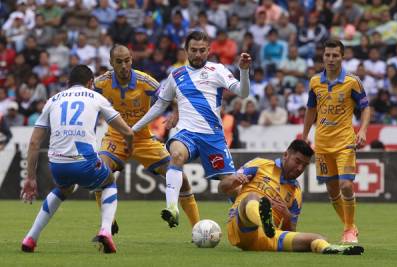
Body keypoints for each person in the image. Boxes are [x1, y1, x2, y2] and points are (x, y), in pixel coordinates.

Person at [131, 31, 251, 228]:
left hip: (213, 137)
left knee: (230, 186)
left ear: (208, 51)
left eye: (202, 50)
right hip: (187, 133)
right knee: (176, 155)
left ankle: (249, 219)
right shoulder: (176, 75)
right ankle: (172, 208)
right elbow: (160, 105)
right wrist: (134, 128)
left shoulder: (217, 70)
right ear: (186, 50)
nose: (198, 54)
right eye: (193, 50)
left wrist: (244, 71)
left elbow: (243, 93)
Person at [20, 65, 134, 253]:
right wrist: (129, 147)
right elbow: (127, 132)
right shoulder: (97, 97)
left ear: (67, 83)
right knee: (108, 183)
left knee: (64, 188)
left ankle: (31, 237)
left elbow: (34, 143)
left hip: (58, 164)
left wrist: (30, 178)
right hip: (85, 162)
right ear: (91, 83)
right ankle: (106, 230)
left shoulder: (52, 100)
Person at [94, 44, 200, 229]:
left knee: (181, 179)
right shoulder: (101, 83)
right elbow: (84, 97)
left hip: (143, 139)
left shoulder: (145, 81)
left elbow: (170, 98)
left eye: (127, 61)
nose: (124, 66)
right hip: (115, 138)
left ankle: (197, 227)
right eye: (119, 62)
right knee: (99, 173)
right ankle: (108, 221)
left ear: (132, 59)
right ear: (111, 62)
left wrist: (175, 111)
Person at [222, 140, 364, 255]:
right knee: (252, 197)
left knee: (319, 238)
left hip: (269, 239)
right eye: (297, 161)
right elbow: (222, 186)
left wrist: (287, 215)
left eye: (305, 165)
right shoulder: (260, 165)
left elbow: (290, 232)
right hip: (241, 228)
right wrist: (234, 179)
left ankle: (332, 249)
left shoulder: (296, 193)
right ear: (286, 155)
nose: (300, 169)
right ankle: (263, 221)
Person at [302, 39, 371, 243]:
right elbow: (311, 109)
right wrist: (304, 134)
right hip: (322, 144)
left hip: (345, 143)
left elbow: (366, 107)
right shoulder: (315, 81)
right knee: (332, 191)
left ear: (342, 56)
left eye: (335, 55)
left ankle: (349, 229)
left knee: (346, 185)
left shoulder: (352, 81)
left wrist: (363, 130)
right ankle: (350, 226)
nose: (331, 59)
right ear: (323, 56)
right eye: (328, 55)